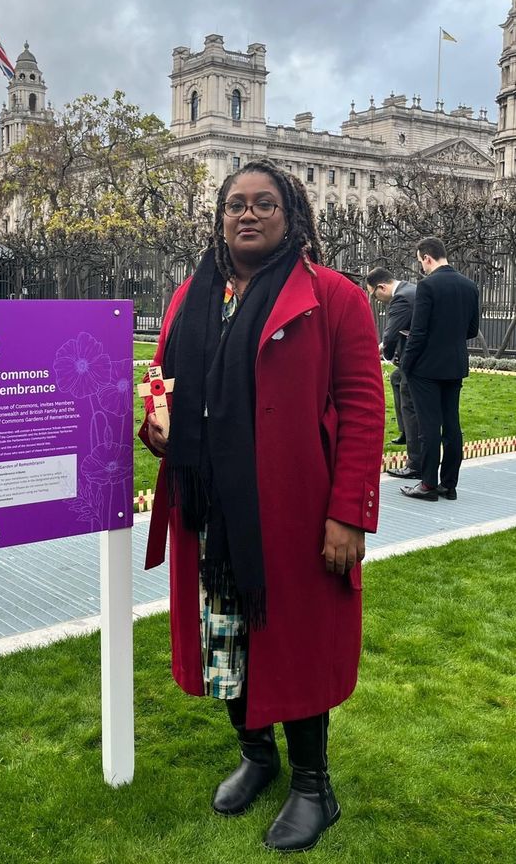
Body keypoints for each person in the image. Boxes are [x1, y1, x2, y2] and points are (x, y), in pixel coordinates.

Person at [139, 160, 385, 853]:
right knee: (226, 636)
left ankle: (314, 786)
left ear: (292, 214)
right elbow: (165, 382)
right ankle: (256, 754)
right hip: (211, 508)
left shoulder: (332, 296)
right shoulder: (193, 294)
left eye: (264, 204)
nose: (247, 215)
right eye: (234, 204)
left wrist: (350, 513)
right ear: (220, 217)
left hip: (295, 513)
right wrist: (156, 425)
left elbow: (365, 409)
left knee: (295, 644)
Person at [399, 237, 480, 501]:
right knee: (452, 426)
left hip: (426, 368)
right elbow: (470, 330)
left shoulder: (427, 286)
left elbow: (418, 333)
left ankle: (428, 485)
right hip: (454, 364)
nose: (421, 266)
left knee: (429, 427)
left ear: (427, 258)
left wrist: (406, 365)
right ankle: (449, 485)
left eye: (420, 260)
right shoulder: (469, 286)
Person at [365, 267, 422, 478]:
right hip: (419, 356)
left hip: (416, 361)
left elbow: (390, 336)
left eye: (374, 294)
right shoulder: (409, 289)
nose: (377, 299)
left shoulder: (400, 299)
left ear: (382, 286)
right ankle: (406, 432)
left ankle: (415, 464)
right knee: (397, 379)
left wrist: (384, 355)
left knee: (409, 404)